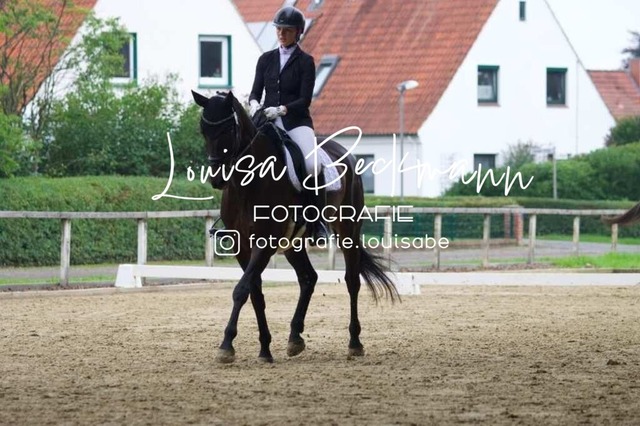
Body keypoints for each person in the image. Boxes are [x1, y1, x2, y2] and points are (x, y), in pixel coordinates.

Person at [248, 5, 328, 242]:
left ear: (298, 32)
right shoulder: (265, 59)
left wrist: (282, 109)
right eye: (279, 29)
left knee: (312, 165)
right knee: (242, 156)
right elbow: (255, 92)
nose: (281, 34)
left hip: (295, 121)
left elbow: (305, 100)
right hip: (267, 121)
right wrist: (254, 105)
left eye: (287, 30)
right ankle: (234, 215)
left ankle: (317, 220)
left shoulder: (306, 62)